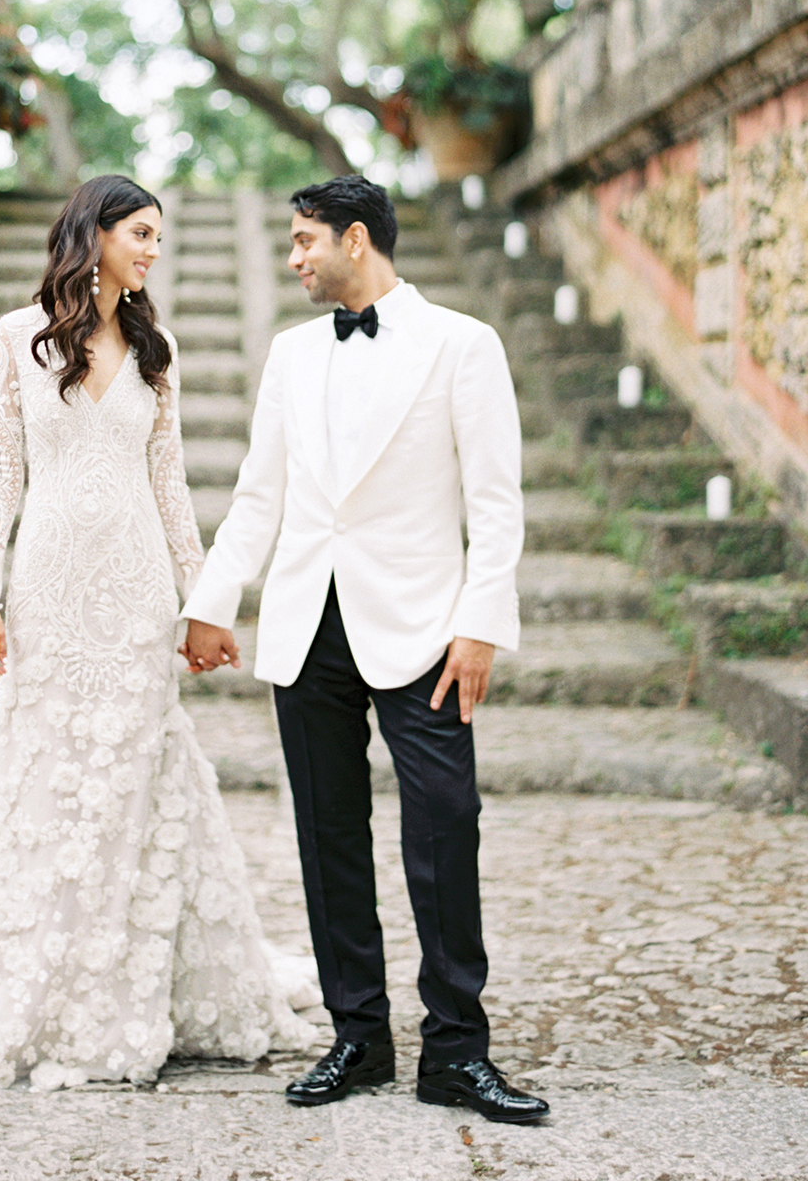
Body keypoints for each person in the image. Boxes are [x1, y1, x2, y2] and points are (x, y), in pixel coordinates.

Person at [0, 175, 309, 1090]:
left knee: (132, 777)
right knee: (45, 771)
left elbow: (170, 489)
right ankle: (28, 974)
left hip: (133, 596)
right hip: (47, 587)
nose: (152, 251)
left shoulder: (155, 350)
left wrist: (204, 599)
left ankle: (125, 983)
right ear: (91, 234)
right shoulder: (16, 339)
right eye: (140, 232)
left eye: (159, 239)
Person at [180, 175, 549, 1125]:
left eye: (305, 241)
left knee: (444, 826)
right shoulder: (293, 354)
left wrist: (481, 623)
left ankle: (457, 1053)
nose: (293, 258)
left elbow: (495, 502)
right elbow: (261, 493)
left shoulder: (464, 345)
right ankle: (359, 1036)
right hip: (309, 627)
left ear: (356, 239)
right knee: (327, 836)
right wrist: (213, 602)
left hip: (426, 627)